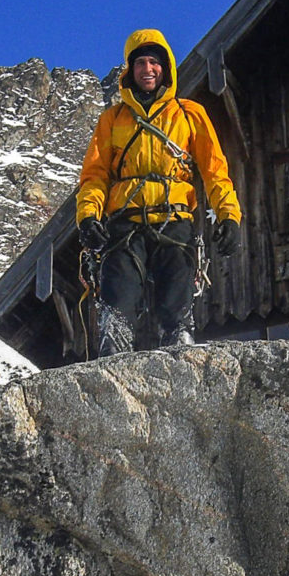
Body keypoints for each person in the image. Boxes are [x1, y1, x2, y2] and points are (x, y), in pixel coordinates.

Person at [76, 29, 242, 355]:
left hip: (175, 219)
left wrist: (229, 215)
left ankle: (179, 352)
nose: (148, 69)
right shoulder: (112, 120)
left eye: (154, 62)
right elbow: (95, 176)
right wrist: (88, 216)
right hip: (124, 224)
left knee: (176, 307)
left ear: (166, 68)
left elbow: (214, 171)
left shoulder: (189, 114)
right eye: (140, 63)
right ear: (130, 69)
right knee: (117, 304)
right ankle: (114, 361)